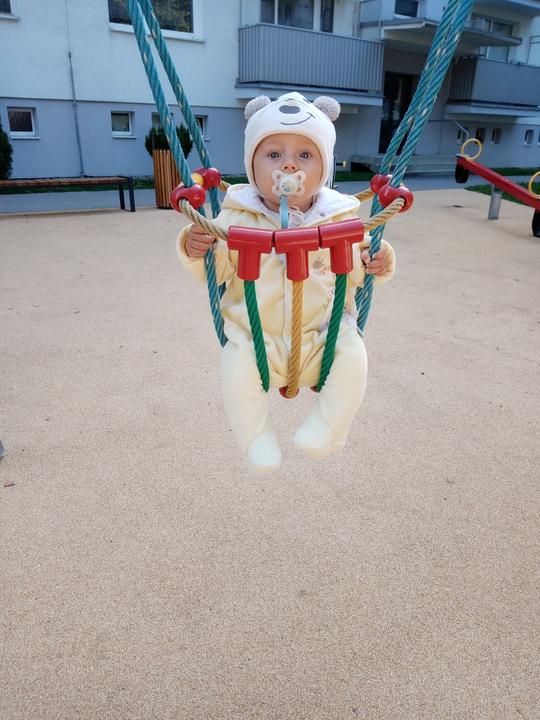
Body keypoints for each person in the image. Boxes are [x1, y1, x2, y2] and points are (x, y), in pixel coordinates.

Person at [177, 92, 395, 472]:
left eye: (305, 155)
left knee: (354, 355)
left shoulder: (340, 217)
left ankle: (328, 428)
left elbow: (359, 268)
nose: (289, 164)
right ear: (252, 164)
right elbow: (216, 270)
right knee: (234, 367)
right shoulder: (236, 216)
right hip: (256, 338)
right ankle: (255, 438)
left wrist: (379, 259)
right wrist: (195, 247)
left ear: (324, 167)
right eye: (274, 154)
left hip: (323, 336)